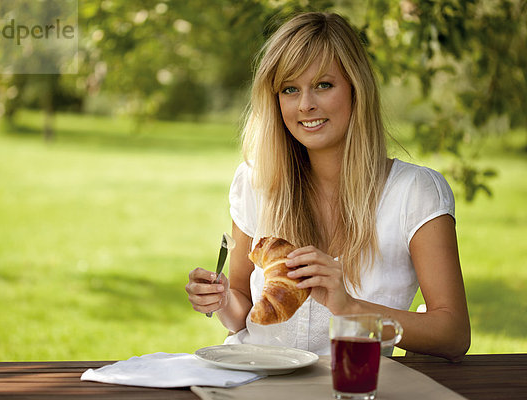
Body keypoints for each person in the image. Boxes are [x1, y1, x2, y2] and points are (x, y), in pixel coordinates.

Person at [185, 11, 470, 361]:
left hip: (351, 384)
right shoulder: (254, 181)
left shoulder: (415, 192)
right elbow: (245, 314)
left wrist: (349, 306)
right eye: (290, 89)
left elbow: (453, 334)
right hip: (254, 378)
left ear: (355, 88)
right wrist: (223, 298)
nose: (306, 104)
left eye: (323, 84)